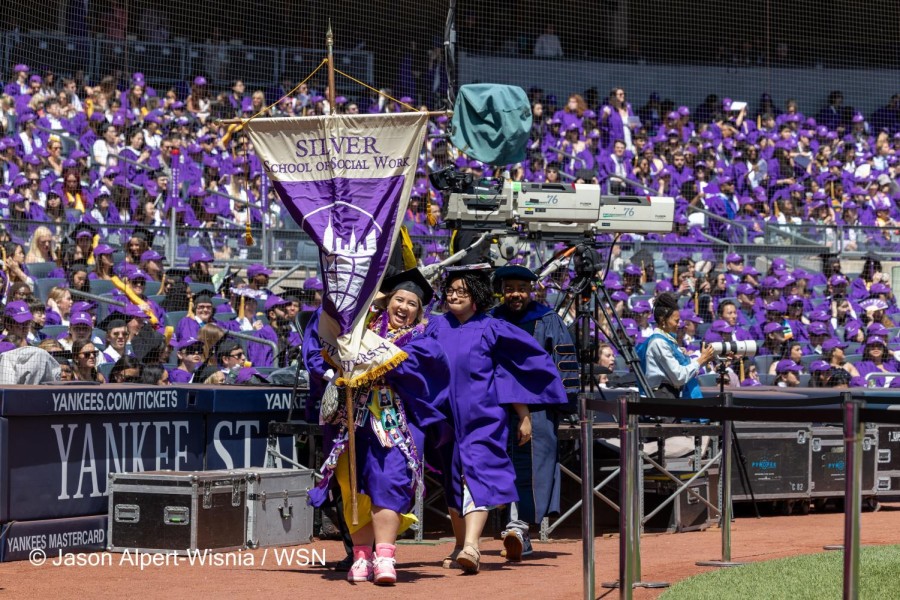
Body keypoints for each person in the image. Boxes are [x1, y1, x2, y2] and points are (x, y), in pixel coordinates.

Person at [306, 268, 451, 585]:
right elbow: (325, 349)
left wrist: (375, 363)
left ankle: (385, 556)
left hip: (393, 422)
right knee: (353, 484)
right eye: (399, 299)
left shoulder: (421, 339)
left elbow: (422, 366)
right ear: (386, 302)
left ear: (419, 311)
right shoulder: (360, 331)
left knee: (389, 481)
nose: (404, 307)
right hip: (353, 422)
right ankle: (361, 556)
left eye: (412, 303)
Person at [428, 265, 568, 574]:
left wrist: (525, 413)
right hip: (445, 417)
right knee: (452, 481)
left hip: (483, 416)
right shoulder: (435, 327)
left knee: (478, 474)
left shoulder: (493, 328)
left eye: (462, 291)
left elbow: (512, 371)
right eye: (450, 291)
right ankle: (459, 542)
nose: (453, 295)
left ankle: (473, 546)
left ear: (475, 296)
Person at [490, 265, 578, 561]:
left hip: (539, 408)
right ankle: (515, 530)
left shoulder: (547, 319)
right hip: (499, 406)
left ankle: (519, 529)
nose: (515, 294)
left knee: (534, 472)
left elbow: (564, 363)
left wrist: (565, 406)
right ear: (502, 290)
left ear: (532, 290)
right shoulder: (492, 318)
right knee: (503, 467)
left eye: (521, 288)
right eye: (510, 288)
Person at [636, 292, 716, 399]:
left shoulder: (668, 340)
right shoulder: (658, 342)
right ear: (663, 320)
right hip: (662, 398)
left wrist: (706, 357)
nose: (679, 325)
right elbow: (679, 376)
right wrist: (700, 360)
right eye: (676, 321)